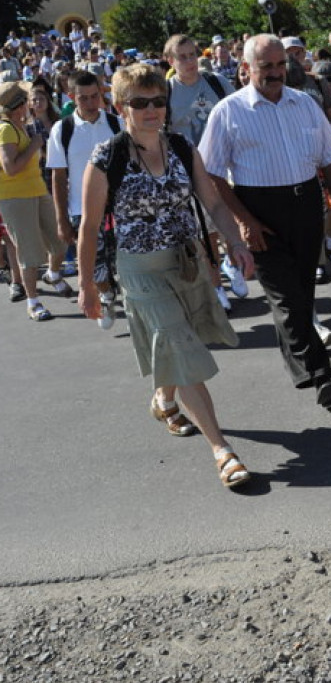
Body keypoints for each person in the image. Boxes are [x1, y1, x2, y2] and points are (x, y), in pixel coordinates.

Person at [76, 64, 255, 488]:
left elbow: (211, 203)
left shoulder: (180, 146)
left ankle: (164, 398)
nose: (152, 109)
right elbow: (89, 227)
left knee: (177, 343)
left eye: (158, 101)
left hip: (187, 262)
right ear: (121, 108)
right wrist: (87, 284)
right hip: (140, 272)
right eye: (140, 102)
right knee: (180, 346)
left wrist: (236, 242)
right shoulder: (107, 157)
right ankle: (222, 450)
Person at [199, 34, 331, 408]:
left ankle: (300, 363)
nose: (276, 72)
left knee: (301, 292)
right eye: (266, 66)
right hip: (259, 211)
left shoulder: (305, 104)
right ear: (245, 68)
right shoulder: (228, 111)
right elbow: (212, 173)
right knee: (287, 298)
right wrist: (244, 220)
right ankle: (319, 374)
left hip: (306, 206)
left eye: (281, 64)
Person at [163, 34, 240, 310]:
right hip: (190, 174)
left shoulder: (216, 82)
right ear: (171, 61)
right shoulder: (166, 92)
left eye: (192, 54)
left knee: (233, 222)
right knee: (206, 234)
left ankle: (234, 264)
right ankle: (218, 286)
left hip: (225, 167)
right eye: (182, 57)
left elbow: (239, 111)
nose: (189, 61)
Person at [48, 70, 123, 329]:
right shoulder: (63, 129)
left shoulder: (116, 124)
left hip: (120, 207)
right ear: (72, 97)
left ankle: (136, 304)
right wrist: (61, 219)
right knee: (95, 265)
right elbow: (58, 177)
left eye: (95, 97)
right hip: (82, 211)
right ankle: (107, 295)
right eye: (84, 99)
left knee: (127, 261)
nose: (91, 104)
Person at [0, 81, 73, 321]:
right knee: (30, 253)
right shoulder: (5, 129)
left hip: (36, 192)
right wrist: (34, 146)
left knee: (61, 240)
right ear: (19, 105)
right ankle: (33, 303)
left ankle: (52, 274)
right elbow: (10, 168)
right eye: (25, 100)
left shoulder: (17, 126)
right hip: (15, 198)